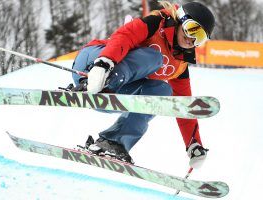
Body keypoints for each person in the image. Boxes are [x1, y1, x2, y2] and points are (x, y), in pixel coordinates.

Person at [72, 1, 215, 168]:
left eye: (200, 38)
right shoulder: (155, 23)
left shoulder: (180, 64)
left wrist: (194, 144)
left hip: (114, 92)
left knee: (163, 90)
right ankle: (101, 82)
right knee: (154, 57)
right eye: (192, 29)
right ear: (181, 19)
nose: (192, 39)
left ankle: (113, 142)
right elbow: (124, 35)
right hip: (94, 64)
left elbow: (182, 105)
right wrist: (104, 64)